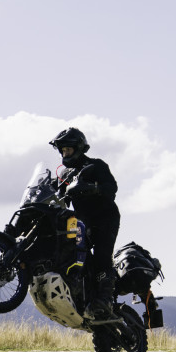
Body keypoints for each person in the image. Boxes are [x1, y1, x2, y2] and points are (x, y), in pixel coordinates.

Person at [49, 127, 120, 321]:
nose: (65, 153)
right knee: (75, 255)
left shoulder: (96, 165)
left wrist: (92, 188)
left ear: (78, 148)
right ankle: (80, 293)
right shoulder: (64, 173)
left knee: (102, 257)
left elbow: (111, 188)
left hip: (105, 218)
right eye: (62, 150)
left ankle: (104, 300)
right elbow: (55, 195)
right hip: (82, 222)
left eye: (68, 150)